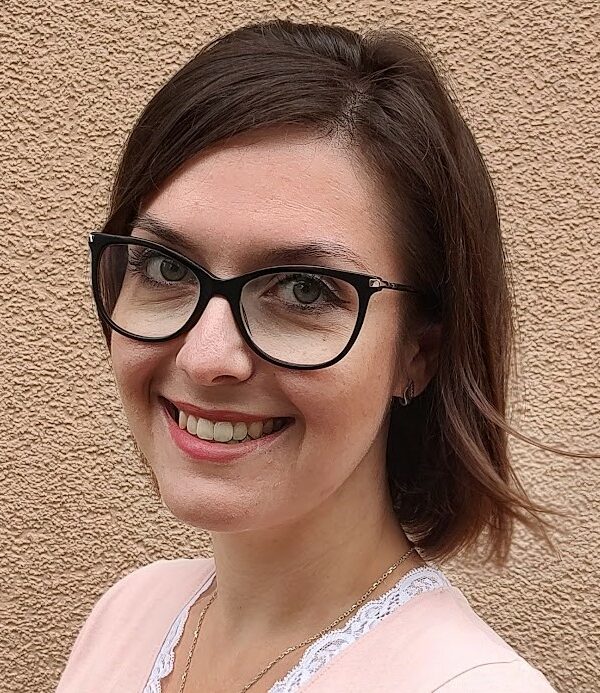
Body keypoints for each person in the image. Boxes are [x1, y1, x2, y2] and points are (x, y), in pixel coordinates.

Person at [56, 18, 560, 692]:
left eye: (303, 289)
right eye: (165, 267)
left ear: (419, 351)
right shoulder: (130, 613)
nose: (207, 357)